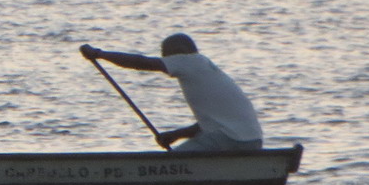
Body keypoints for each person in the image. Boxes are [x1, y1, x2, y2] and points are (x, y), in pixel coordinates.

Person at [79, 33, 263, 151]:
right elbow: (213, 124)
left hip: (231, 140)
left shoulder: (188, 60)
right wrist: (175, 135)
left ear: (179, 52)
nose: (165, 60)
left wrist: (100, 54)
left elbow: (143, 63)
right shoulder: (205, 69)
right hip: (251, 141)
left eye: (166, 55)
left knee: (170, 163)